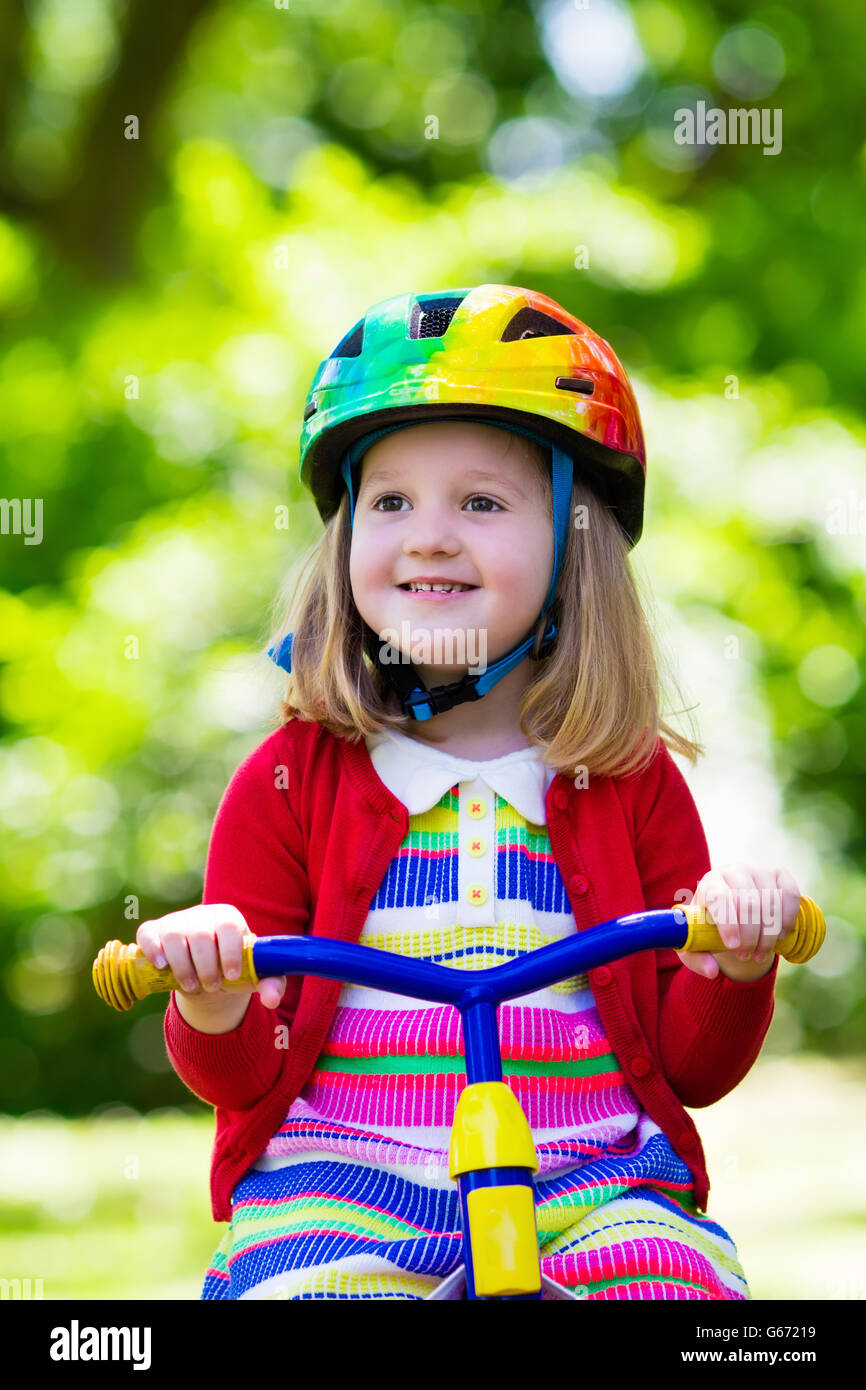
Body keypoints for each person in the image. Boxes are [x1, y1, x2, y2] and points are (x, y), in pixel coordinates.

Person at [138, 284, 802, 1300]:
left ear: (576, 546)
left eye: (480, 501)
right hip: (341, 1179)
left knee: (680, 1295)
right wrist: (215, 997)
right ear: (346, 532)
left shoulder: (626, 777)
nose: (428, 535)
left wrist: (734, 959)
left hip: (591, 1176)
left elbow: (690, 1069)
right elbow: (243, 1078)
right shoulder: (289, 779)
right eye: (391, 500)